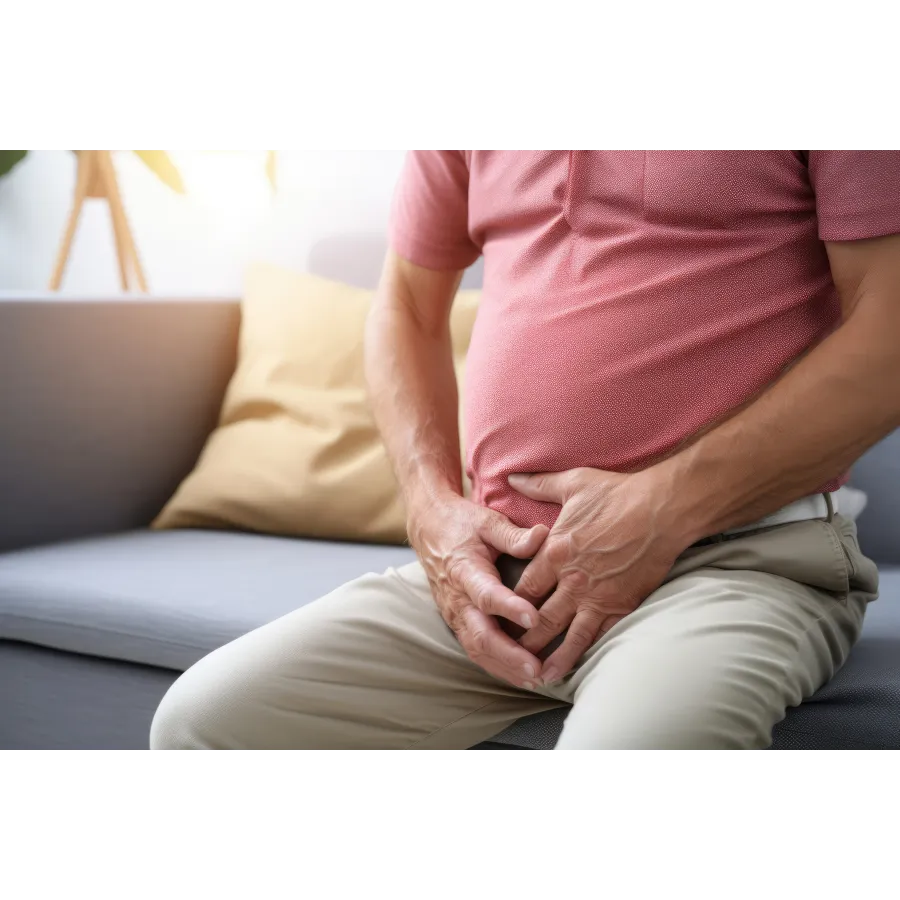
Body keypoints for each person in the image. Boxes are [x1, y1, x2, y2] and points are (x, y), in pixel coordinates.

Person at [151, 148, 900, 751]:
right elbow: (405, 305)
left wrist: (664, 507)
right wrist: (432, 513)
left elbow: (890, 333)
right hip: (495, 581)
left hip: (730, 566)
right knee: (202, 726)